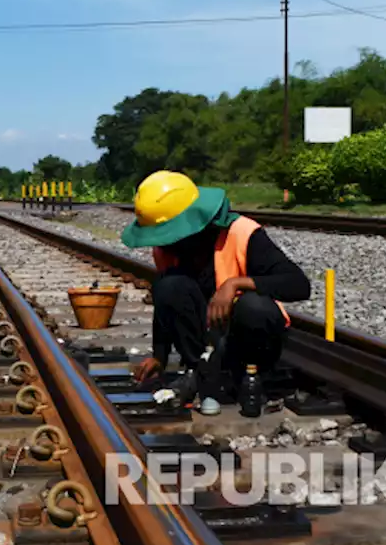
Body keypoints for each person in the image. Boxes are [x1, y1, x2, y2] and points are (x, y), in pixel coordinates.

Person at [120, 170, 311, 414]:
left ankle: (252, 378)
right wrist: (160, 356)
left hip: (245, 337)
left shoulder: (241, 233)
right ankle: (200, 374)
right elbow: (166, 303)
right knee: (168, 284)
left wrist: (235, 284)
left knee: (253, 306)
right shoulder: (166, 250)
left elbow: (298, 284)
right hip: (207, 342)